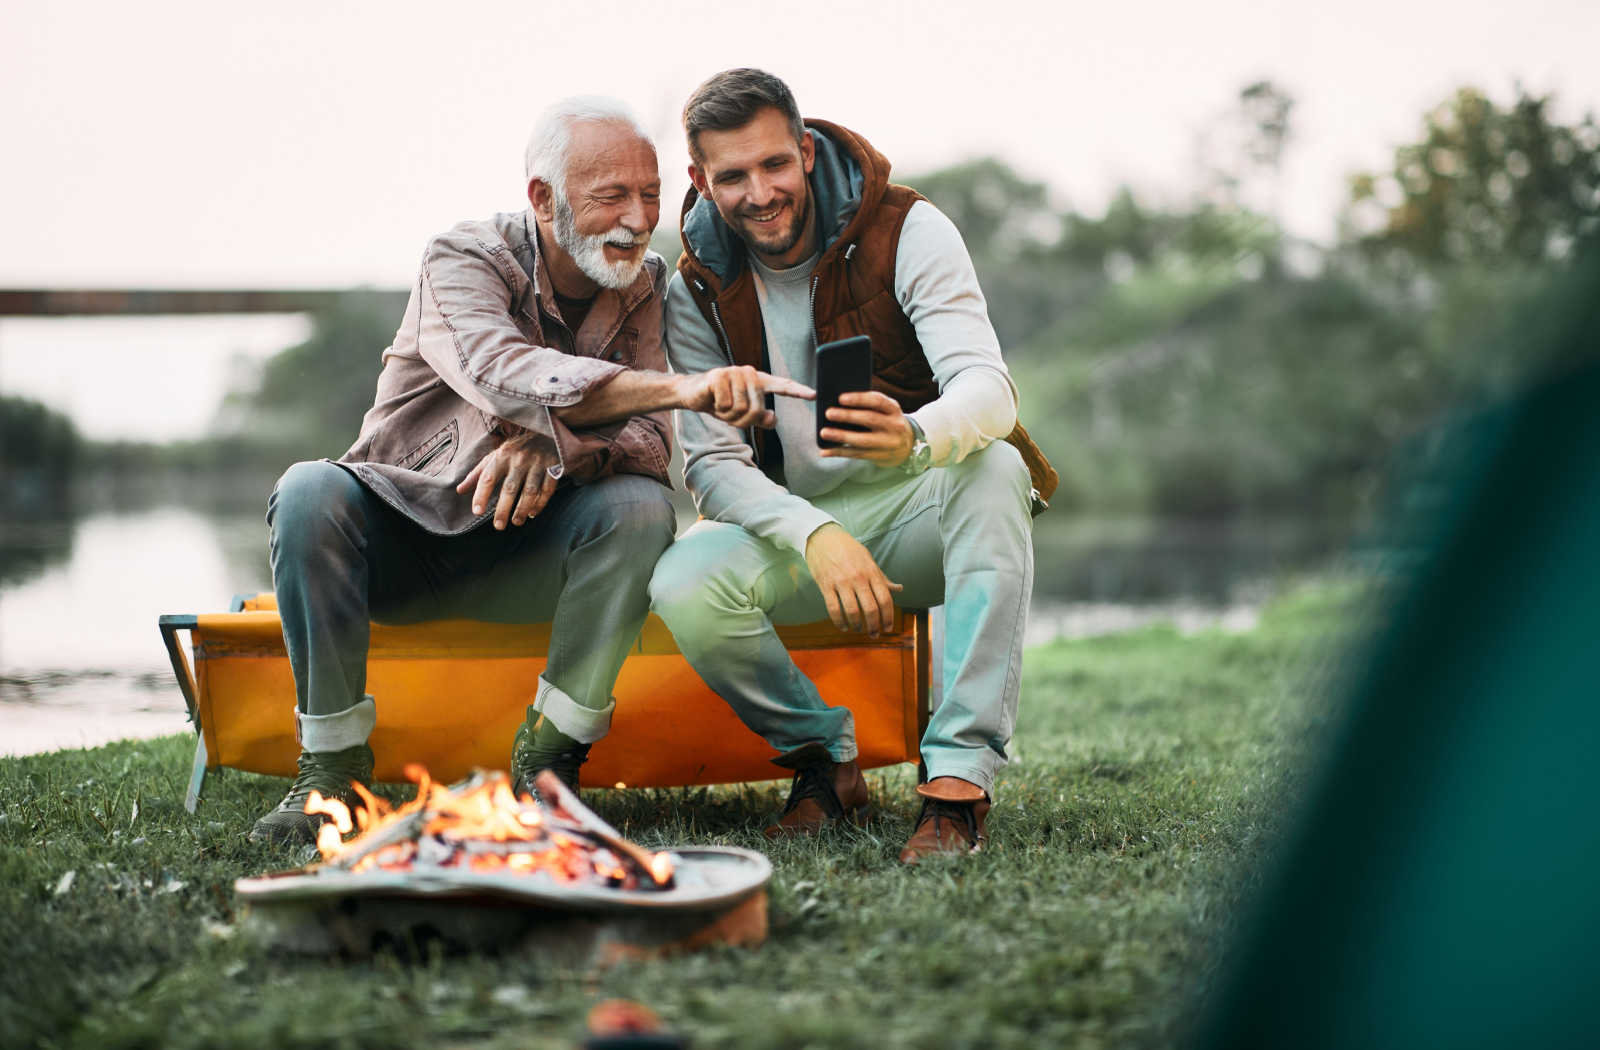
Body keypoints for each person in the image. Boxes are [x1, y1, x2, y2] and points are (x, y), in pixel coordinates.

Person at [250, 95, 811, 846]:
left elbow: (652, 444)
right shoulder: (461, 257)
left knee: (642, 507)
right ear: (542, 199)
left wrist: (554, 447)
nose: (639, 219)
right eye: (612, 196)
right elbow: (502, 373)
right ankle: (331, 777)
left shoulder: (644, 283)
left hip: (536, 553)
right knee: (307, 489)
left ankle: (548, 767)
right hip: (407, 542)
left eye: (650, 196)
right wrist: (684, 388)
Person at [649, 69, 1051, 864]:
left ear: (803, 151)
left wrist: (915, 437)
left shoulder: (909, 228)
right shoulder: (693, 285)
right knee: (681, 582)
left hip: (915, 511)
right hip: (795, 535)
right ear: (700, 181)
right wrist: (816, 534)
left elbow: (990, 391)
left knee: (998, 470)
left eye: (773, 165)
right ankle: (825, 760)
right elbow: (714, 470)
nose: (759, 192)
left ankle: (959, 781)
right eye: (731, 176)